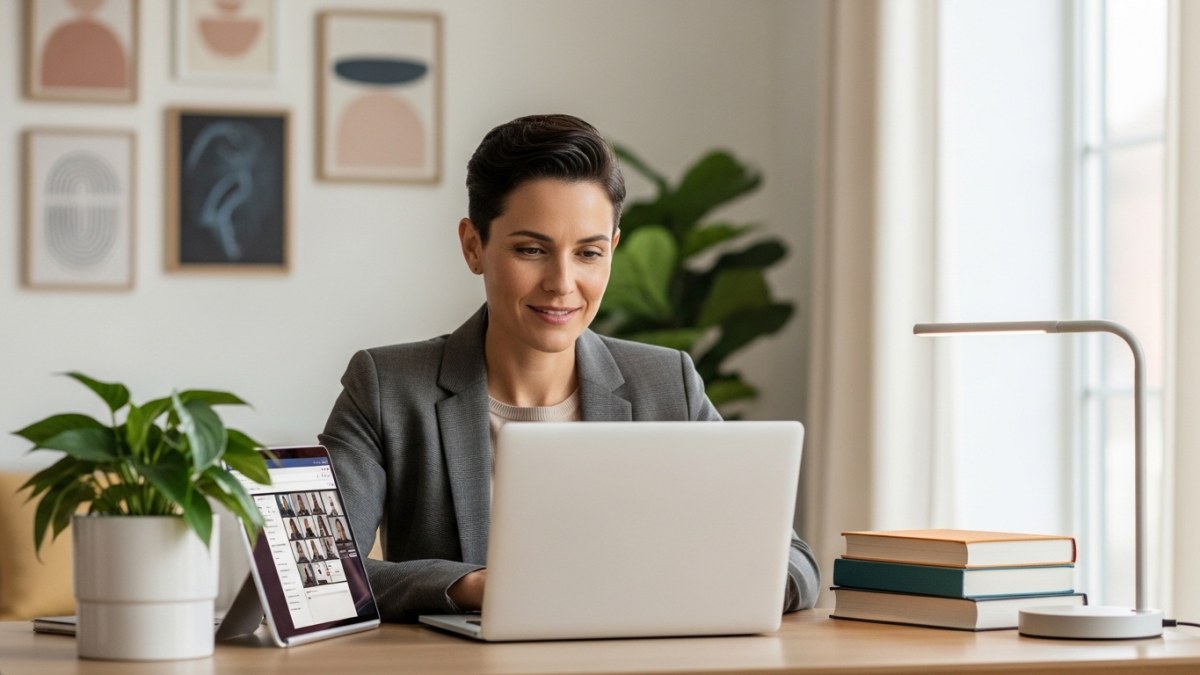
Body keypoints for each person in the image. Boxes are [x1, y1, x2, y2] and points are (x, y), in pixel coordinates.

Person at [320, 114, 821, 622]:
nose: (562, 282)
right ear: (474, 245)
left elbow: (796, 563)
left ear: (613, 251)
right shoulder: (387, 387)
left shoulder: (669, 385)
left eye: (588, 253)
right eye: (531, 250)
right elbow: (317, 572)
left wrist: (702, 588)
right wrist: (471, 586)